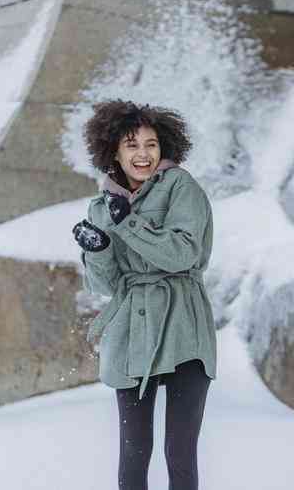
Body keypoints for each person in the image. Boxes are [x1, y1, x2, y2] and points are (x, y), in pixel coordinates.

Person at [72, 100, 216, 490]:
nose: (143, 154)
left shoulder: (181, 187)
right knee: (133, 453)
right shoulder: (101, 206)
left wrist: (128, 222)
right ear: (113, 152)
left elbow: (183, 253)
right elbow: (106, 284)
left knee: (180, 452)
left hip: (182, 324)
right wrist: (97, 248)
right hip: (132, 330)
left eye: (151, 145)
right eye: (132, 144)